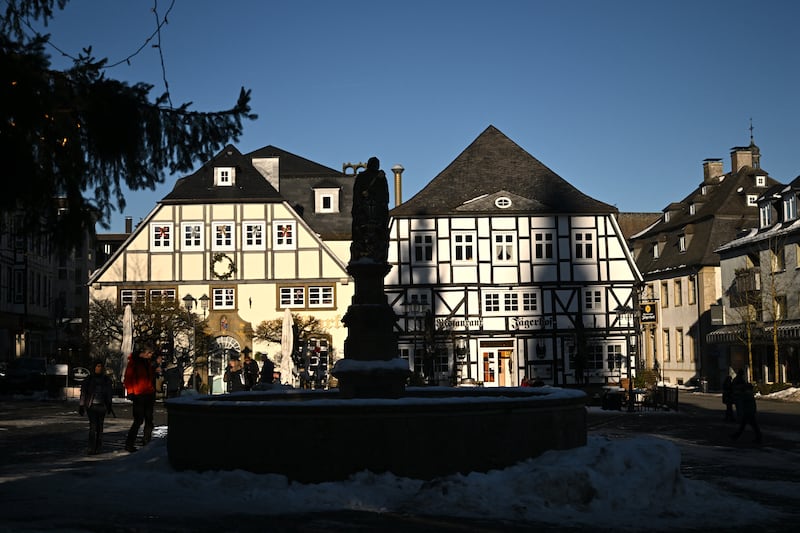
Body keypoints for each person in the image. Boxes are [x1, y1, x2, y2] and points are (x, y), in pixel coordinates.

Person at [124, 343, 156, 452]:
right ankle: (129, 443)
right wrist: (131, 392)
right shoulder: (134, 363)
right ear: (144, 353)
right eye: (149, 353)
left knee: (149, 420)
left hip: (148, 393)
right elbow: (128, 378)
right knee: (138, 420)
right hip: (139, 394)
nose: (151, 355)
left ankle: (146, 441)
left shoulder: (147, 363)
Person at [78, 358, 114, 455]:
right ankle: (91, 447)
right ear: (94, 367)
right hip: (92, 406)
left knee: (99, 427)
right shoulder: (89, 379)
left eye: (101, 366)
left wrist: (109, 405)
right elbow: (83, 393)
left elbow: (109, 394)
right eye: (97, 366)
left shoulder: (106, 380)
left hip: (102, 406)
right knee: (93, 427)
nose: (99, 368)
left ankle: (98, 447)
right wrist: (81, 405)